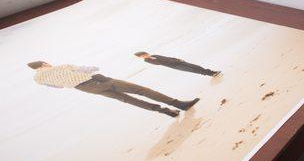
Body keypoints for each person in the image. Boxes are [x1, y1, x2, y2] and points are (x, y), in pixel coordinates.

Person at [28, 61, 199, 117]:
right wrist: (95, 67)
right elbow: (85, 69)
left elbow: (57, 87)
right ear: (43, 64)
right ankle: (179, 104)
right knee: (141, 90)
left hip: (87, 89)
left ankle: (166, 112)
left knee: (127, 99)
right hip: (98, 81)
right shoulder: (59, 66)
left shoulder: (38, 79)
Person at [134, 51, 220, 77]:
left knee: (195, 66)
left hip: (178, 62)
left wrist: (177, 58)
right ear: (141, 57)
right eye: (143, 55)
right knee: (192, 70)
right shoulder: (148, 60)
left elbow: (167, 57)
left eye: (145, 53)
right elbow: (158, 63)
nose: (146, 55)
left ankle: (211, 71)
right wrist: (150, 58)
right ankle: (211, 74)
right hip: (174, 66)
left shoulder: (154, 55)